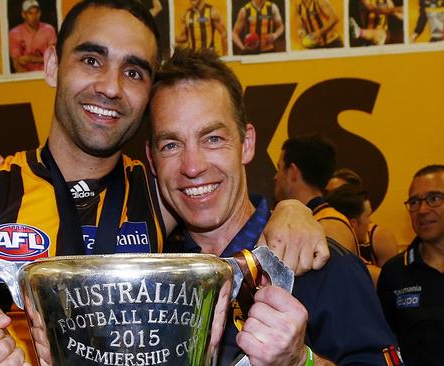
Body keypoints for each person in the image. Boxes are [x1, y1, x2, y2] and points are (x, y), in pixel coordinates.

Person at [0, 1, 328, 365]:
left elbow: (231, 208)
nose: (110, 87)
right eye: (91, 60)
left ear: (148, 93)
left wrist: (295, 211)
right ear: (53, 64)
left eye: (133, 71)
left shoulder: (161, 193)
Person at [147, 47, 403, 365]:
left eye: (212, 138)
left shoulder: (320, 264)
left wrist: (300, 361)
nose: (192, 166)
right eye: (171, 144)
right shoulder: (150, 276)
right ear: (152, 160)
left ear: (247, 143)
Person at [377, 164, 444, 366]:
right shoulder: (394, 273)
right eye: (414, 202)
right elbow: (384, 344)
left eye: (434, 198)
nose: (422, 210)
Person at [274, 136, 360, 256]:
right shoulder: (314, 219)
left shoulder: (330, 227)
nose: (276, 177)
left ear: (292, 171)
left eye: (279, 168)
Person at [326, 168, 399, 267]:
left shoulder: (379, 238)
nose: (331, 198)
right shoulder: (321, 232)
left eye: (342, 192)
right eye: (327, 193)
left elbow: (390, 279)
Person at [8, 0, 57, 73]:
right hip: (26, 75)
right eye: (30, 13)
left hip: (47, 73)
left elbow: (53, 58)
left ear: (40, 13)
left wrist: (31, 59)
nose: (34, 16)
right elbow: (16, 63)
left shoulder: (49, 29)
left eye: (36, 12)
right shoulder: (14, 33)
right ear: (23, 15)